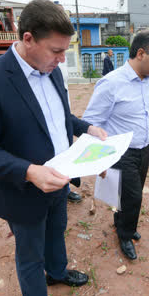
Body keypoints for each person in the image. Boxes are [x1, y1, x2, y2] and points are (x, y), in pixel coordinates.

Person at [0, 0, 107, 296]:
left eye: (64, 50)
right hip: (23, 191)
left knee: (56, 233)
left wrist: (86, 128)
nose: (62, 59)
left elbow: (56, 117)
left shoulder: (52, 69)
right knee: (30, 257)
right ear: (28, 38)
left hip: (60, 181)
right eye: (56, 50)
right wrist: (29, 172)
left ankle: (57, 273)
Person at [83, 29, 149, 260]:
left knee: (131, 192)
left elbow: (147, 111)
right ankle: (125, 234)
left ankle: (121, 222)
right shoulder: (111, 83)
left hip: (144, 148)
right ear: (141, 53)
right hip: (120, 151)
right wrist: (97, 159)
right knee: (133, 197)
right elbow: (91, 121)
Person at [57, 61, 83, 203]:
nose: (61, 57)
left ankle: (65, 190)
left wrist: (89, 129)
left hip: (64, 123)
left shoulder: (58, 70)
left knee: (65, 155)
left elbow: (63, 114)